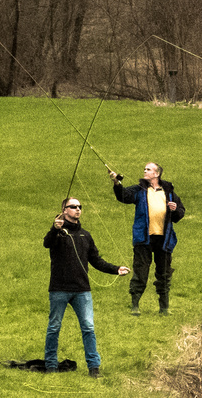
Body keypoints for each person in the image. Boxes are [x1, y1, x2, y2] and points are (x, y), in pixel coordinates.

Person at [43, 196, 129, 378]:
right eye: (73, 207)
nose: (78, 209)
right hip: (59, 289)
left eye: (80, 207)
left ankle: (94, 368)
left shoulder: (85, 235)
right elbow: (47, 243)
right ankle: (50, 365)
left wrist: (116, 269)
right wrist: (54, 228)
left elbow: (96, 260)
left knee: (88, 328)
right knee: (54, 327)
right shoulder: (57, 233)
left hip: (82, 290)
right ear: (64, 210)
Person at [109, 162, 186, 315]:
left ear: (156, 174)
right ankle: (135, 306)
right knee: (140, 272)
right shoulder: (139, 189)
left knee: (164, 273)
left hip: (164, 240)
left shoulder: (169, 191)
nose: (144, 171)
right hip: (143, 239)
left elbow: (180, 214)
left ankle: (164, 308)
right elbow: (123, 196)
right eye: (144, 168)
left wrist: (175, 209)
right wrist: (116, 182)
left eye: (148, 169)